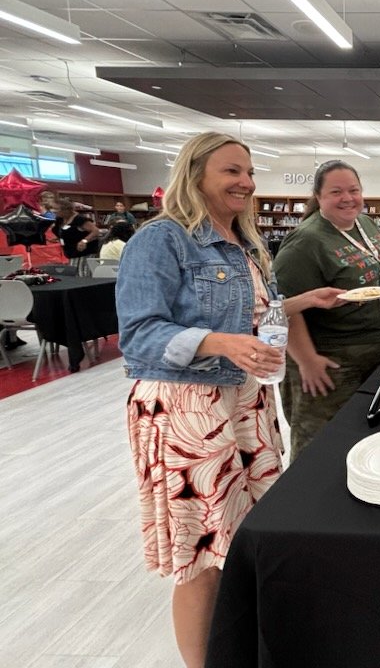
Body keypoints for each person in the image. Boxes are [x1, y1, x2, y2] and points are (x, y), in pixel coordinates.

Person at [115, 132, 345, 668]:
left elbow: (251, 314)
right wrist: (218, 343)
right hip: (188, 412)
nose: (246, 182)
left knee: (243, 541)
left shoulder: (243, 241)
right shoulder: (161, 240)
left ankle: (240, 645)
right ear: (194, 174)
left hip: (245, 406)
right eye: (231, 172)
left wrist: (305, 301)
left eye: (249, 172)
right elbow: (139, 335)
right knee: (199, 557)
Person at [273, 160, 380, 459]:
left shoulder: (364, 223)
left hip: (373, 352)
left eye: (353, 190)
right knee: (320, 444)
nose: (348, 198)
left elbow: (376, 259)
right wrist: (307, 360)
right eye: (336, 191)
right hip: (330, 362)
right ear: (318, 196)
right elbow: (282, 306)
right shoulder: (305, 241)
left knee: (360, 434)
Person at [54, 198, 100, 272]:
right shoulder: (60, 220)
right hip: (70, 253)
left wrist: (84, 241)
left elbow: (96, 231)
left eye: (57, 209)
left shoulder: (80, 219)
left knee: (81, 273)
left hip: (84, 253)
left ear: (66, 210)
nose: (54, 211)